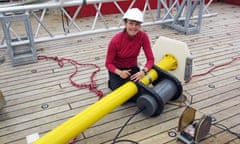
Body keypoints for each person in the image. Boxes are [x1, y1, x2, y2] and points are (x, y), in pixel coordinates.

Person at [105, 8, 155, 91]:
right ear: (125, 23)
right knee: (120, 92)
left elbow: (151, 59)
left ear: (140, 25)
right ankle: (111, 82)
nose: (133, 27)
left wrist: (143, 72)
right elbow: (108, 64)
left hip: (132, 68)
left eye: (137, 24)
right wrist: (120, 72)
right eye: (131, 23)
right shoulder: (115, 40)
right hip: (117, 69)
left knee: (137, 90)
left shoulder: (143, 37)